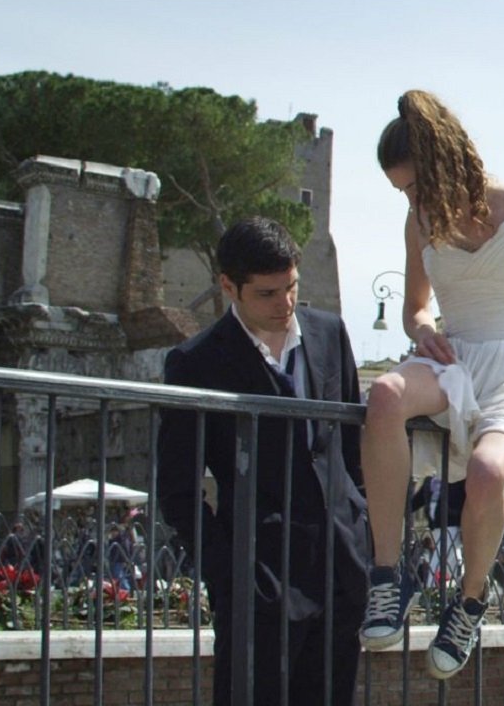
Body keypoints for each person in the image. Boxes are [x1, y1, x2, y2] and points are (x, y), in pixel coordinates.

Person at [360, 89, 504, 680]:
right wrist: (423, 329)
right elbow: (415, 307)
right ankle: (387, 576)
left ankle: (469, 602)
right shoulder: (419, 221)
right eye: (403, 192)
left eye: (414, 186)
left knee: (488, 472)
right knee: (383, 395)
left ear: (443, 163)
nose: (411, 201)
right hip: (456, 355)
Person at [157, 216, 368, 706]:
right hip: (258, 580)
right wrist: (230, 572)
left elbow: (352, 453)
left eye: (292, 286)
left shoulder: (330, 333)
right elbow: (177, 489)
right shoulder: (195, 363)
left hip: (341, 569)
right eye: (268, 293)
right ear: (228, 286)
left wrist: (364, 535)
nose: (286, 304)